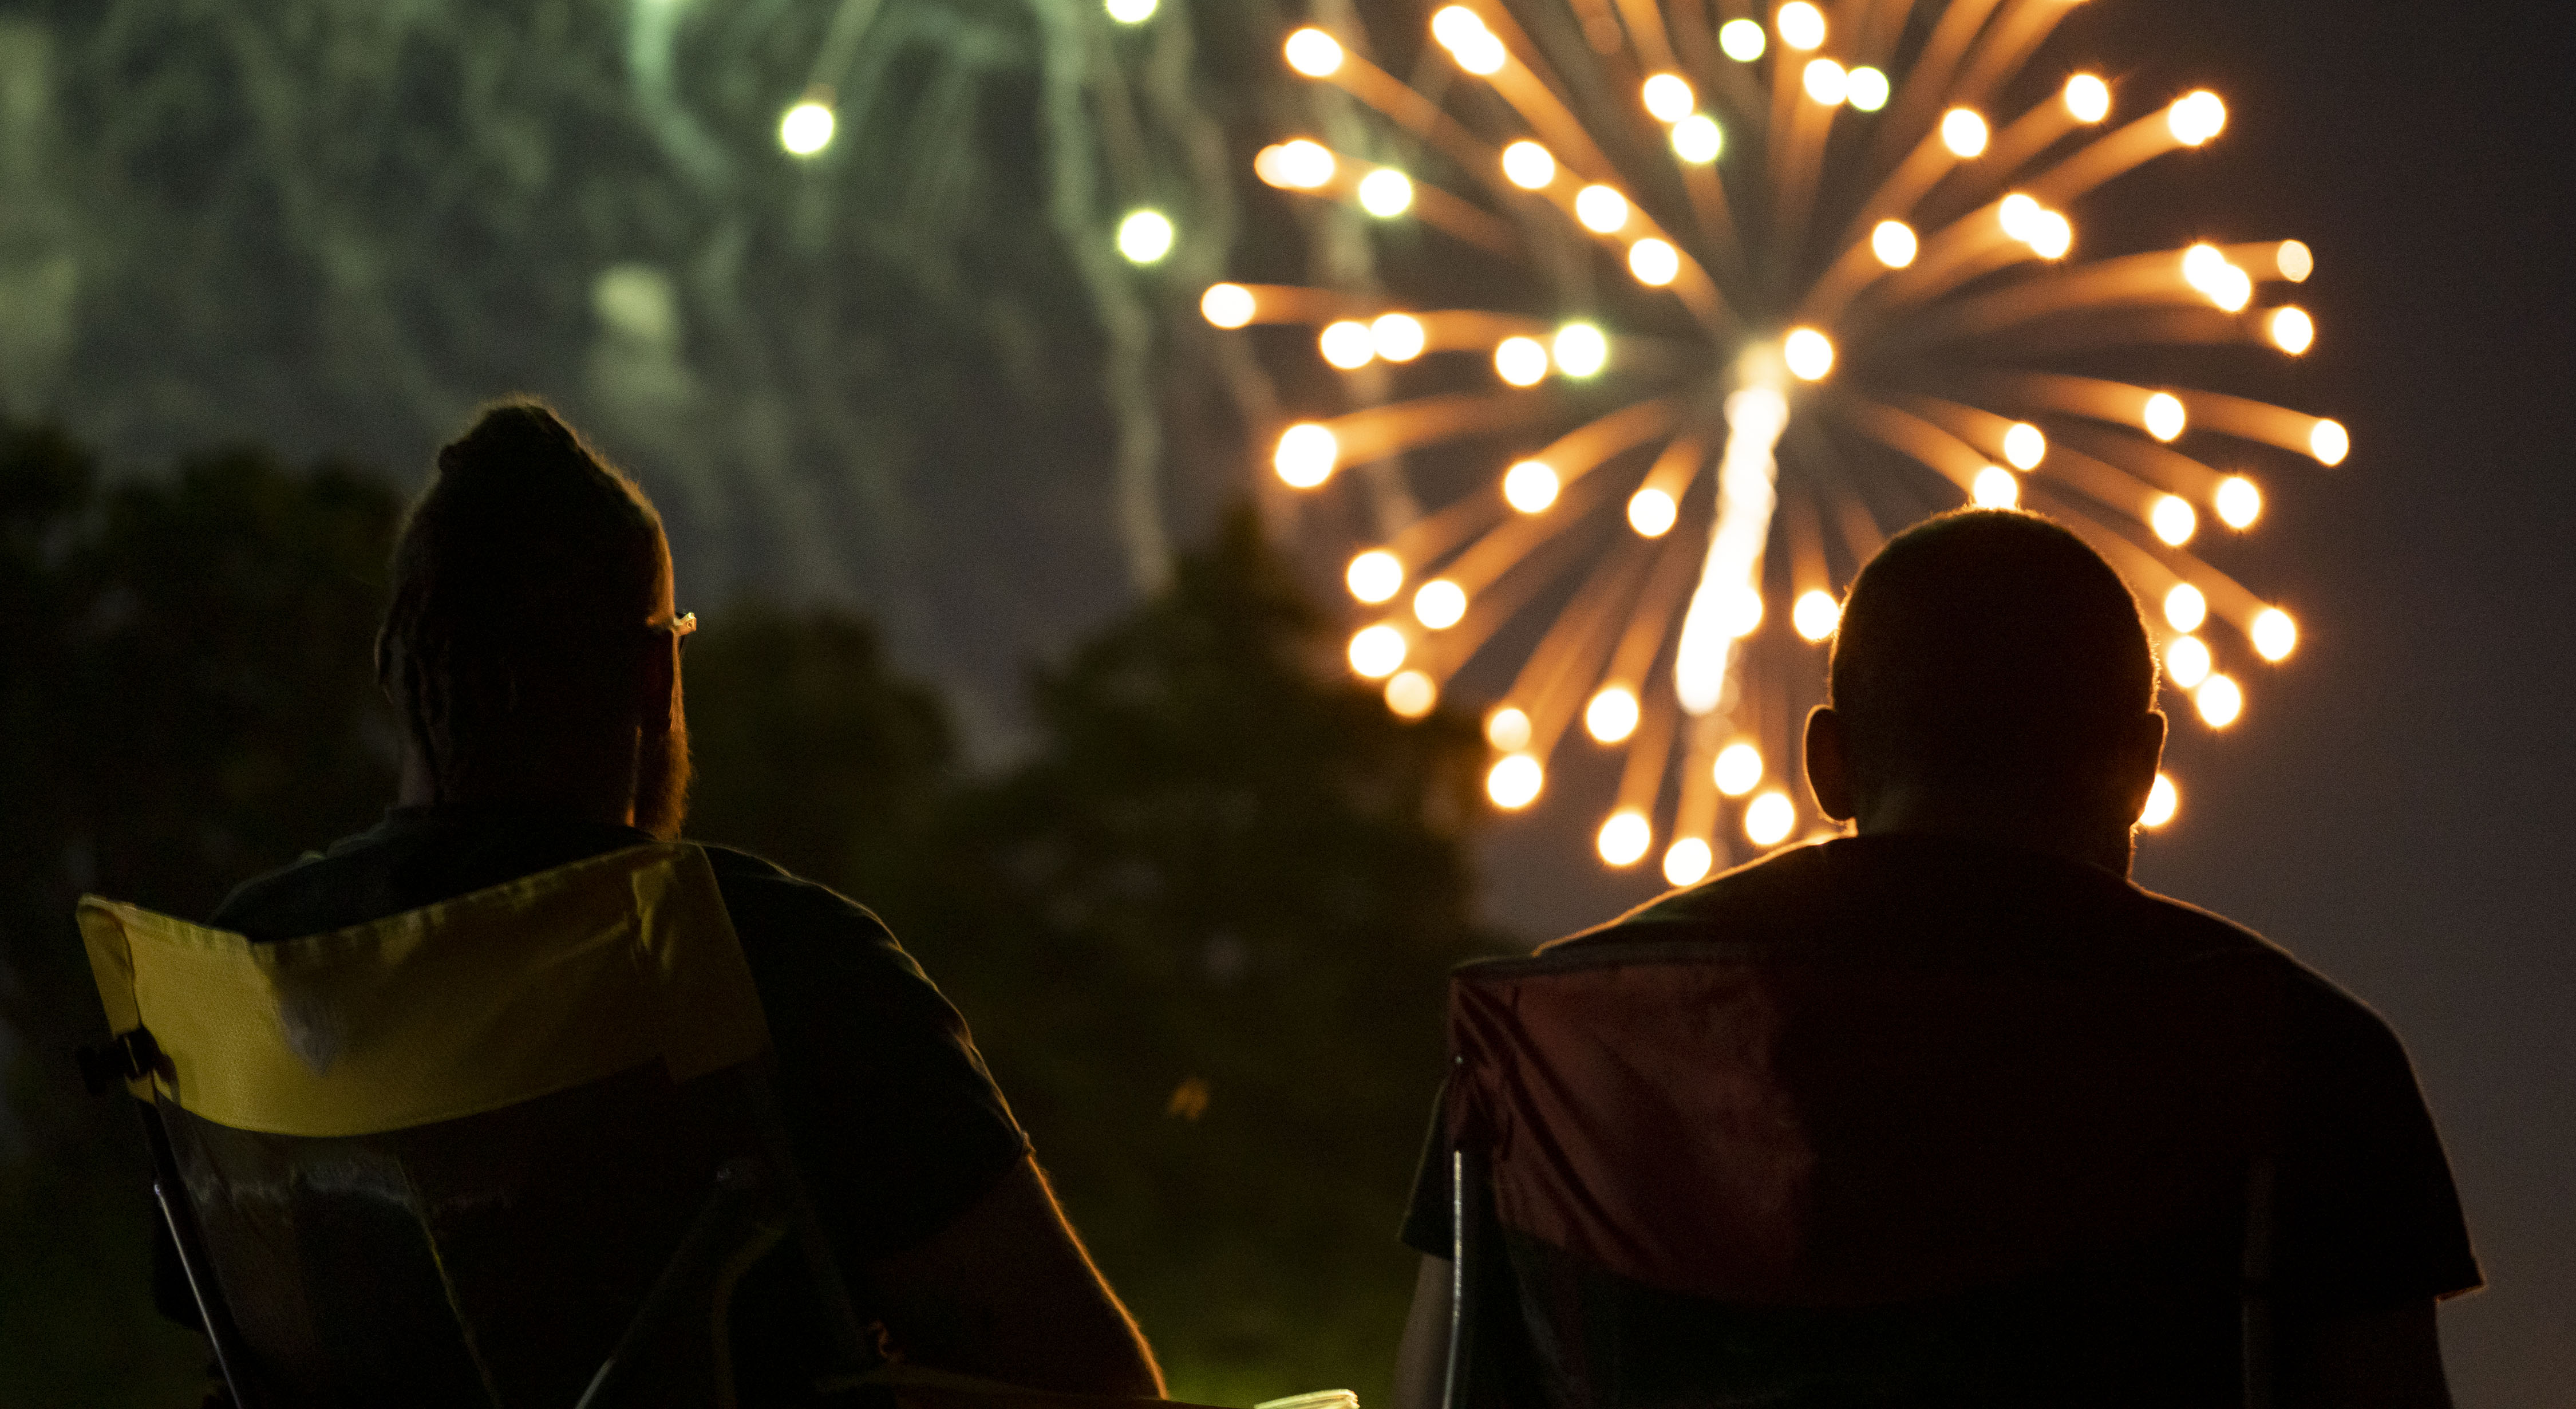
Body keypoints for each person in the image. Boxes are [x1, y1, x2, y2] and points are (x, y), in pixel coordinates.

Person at [172, 398, 1163, 1400]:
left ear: (394, 662)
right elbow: (1093, 1386)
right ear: (655, 676)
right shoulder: (774, 960)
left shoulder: (249, 973)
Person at [1392, 508, 2479, 1409]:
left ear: (1828, 764)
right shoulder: (2303, 1059)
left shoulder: (1551, 1045)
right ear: (2144, 767)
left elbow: (1433, 1393)